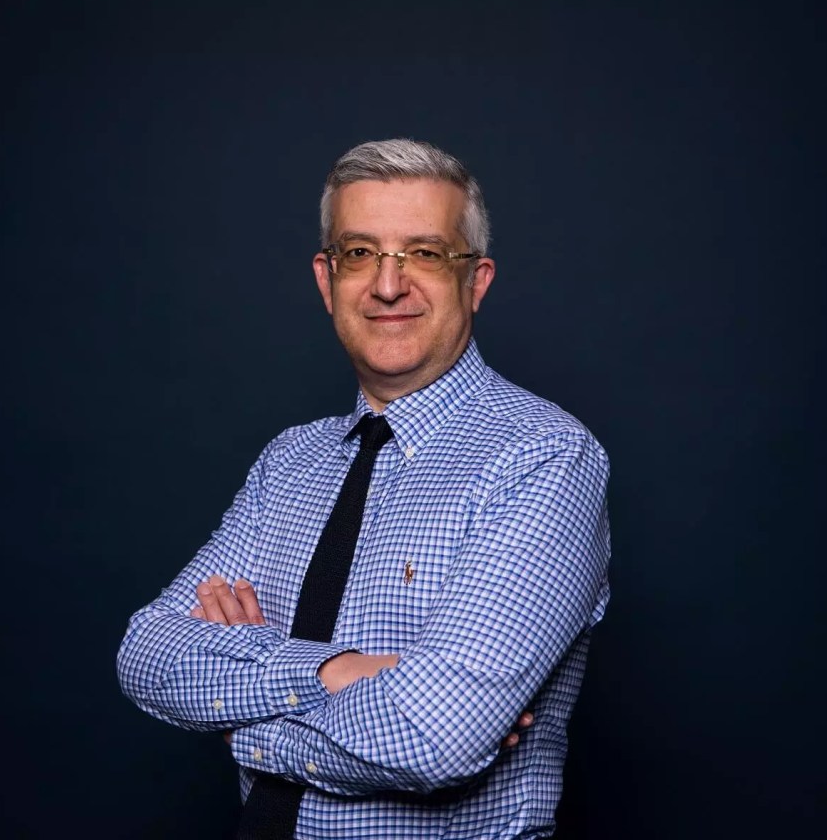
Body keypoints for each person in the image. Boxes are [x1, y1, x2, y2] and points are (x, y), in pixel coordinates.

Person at [117, 138, 612, 839]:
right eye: (359, 254)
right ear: (326, 279)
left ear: (476, 280)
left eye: (425, 253)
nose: (387, 285)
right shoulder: (287, 461)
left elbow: (435, 734)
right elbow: (148, 655)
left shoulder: (541, 458)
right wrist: (341, 669)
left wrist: (245, 729)